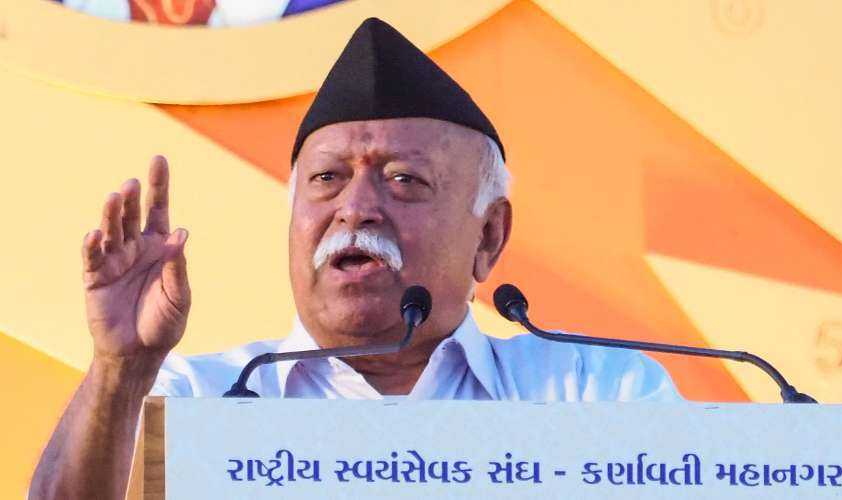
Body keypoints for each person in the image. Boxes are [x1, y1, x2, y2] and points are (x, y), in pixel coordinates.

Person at [28, 17, 680, 499]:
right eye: (327, 179)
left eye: (404, 179)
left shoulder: (590, 392)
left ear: (488, 237)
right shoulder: (205, 398)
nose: (356, 207)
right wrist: (120, 370)